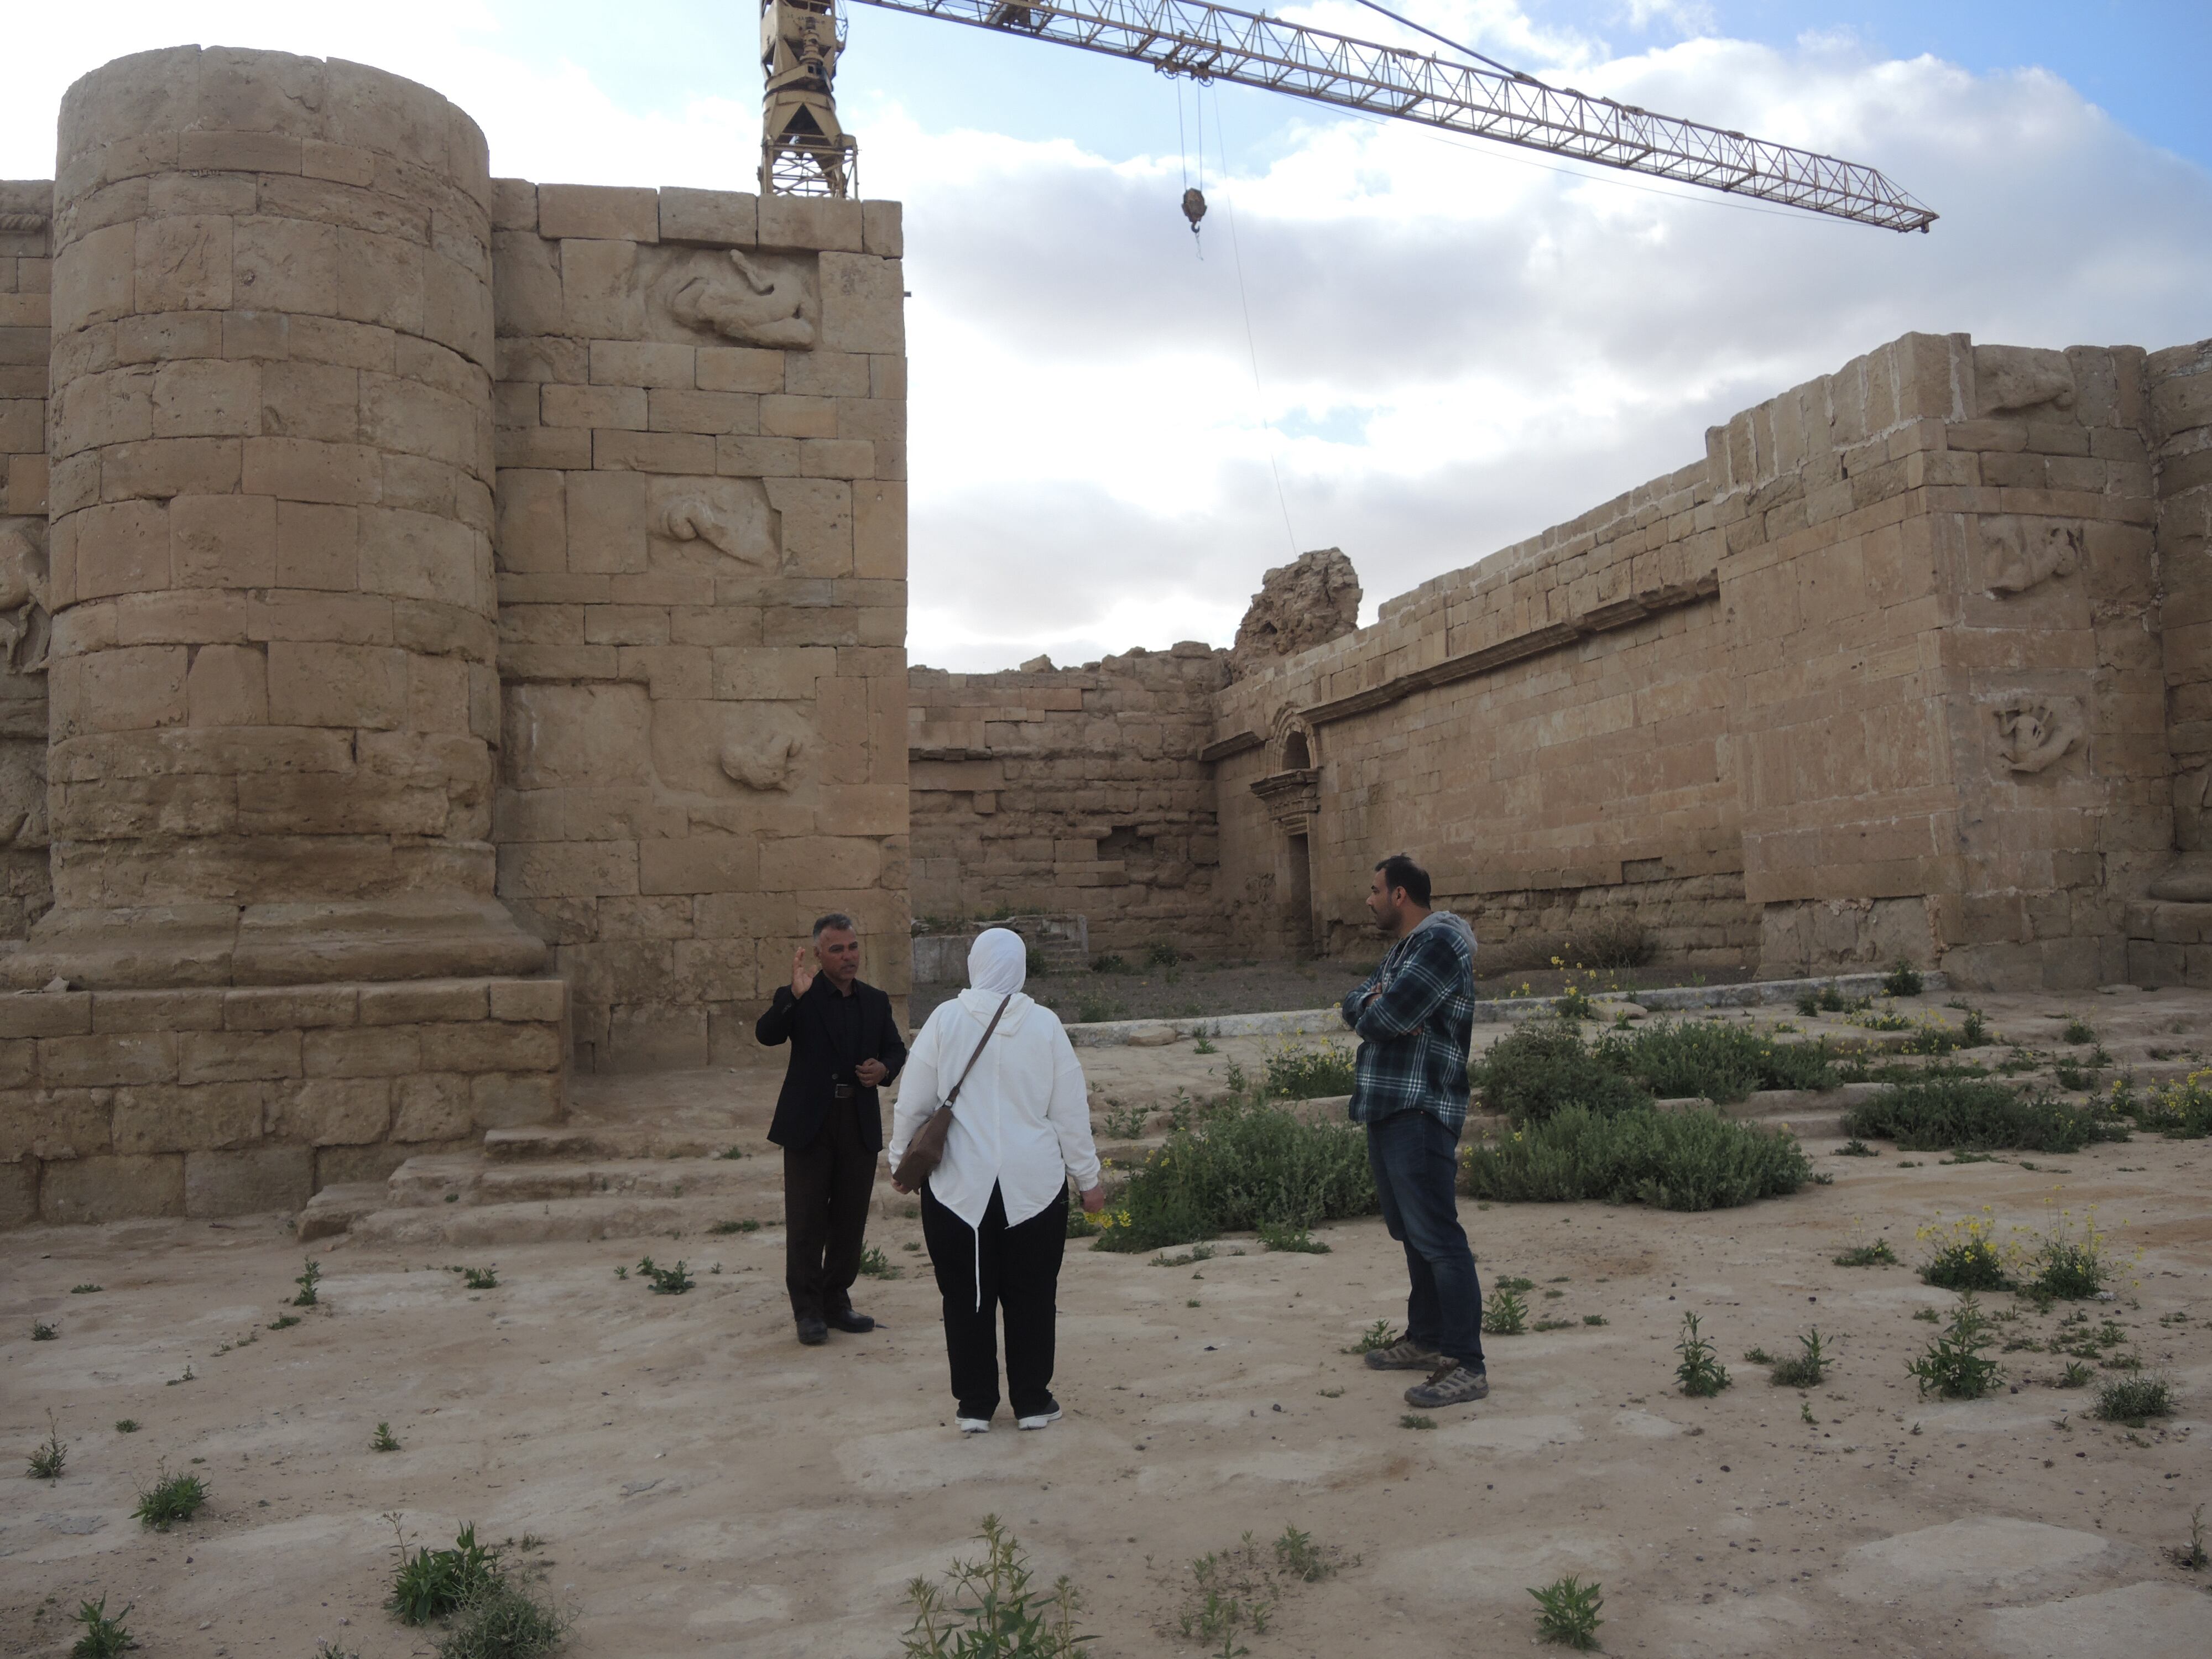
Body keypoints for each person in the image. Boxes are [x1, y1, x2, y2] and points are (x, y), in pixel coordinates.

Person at [888, 928, 1105, 1434]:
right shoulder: (1046, 1026)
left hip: (957, 1189)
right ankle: (1032, 1400)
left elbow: (913, 1103)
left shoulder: (944, 1021)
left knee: (964, 1296)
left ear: (975, 964)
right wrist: (1088, 1180)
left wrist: (902, 1162)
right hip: (1034, 1189)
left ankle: (975, 1404)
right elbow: (1070, 1112)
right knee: (1033, 1295)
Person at [1340, 853, 1487, 1411]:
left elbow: (1380, 1018)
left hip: (1420, 1108)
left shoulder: (1438, 947)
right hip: (1387, 1108)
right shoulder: (1402, 952)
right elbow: (1354, 1003)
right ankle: (1426, 1337)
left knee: (1439, 1239)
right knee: (1413, 1235)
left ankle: (1465, 1363)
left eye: (1375, 890)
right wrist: (1375, 1003)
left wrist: (1377, 1005)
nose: (1370, 899)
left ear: (1400, 895)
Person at [755, 912, 908, 1347]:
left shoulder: (875, 1001)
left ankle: (836, 1301)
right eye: (837, 949)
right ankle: (807, 1311)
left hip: (856, 1121)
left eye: (853, 947)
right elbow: (766, 1034)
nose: (848, 956)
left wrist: (884, 1069)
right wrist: (792, 997)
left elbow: (896, 1049)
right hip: (809, 1123)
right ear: (819, 954)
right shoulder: (801, 996)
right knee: (806, 1219)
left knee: (849, 1216)